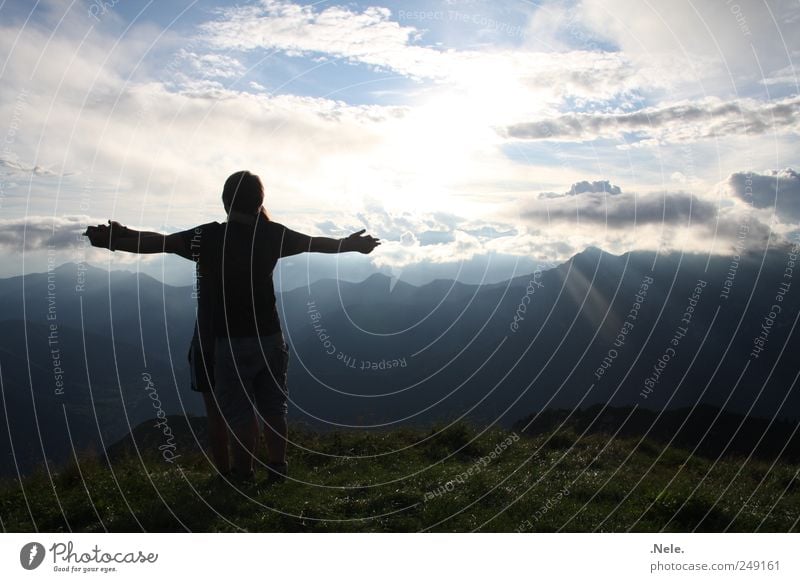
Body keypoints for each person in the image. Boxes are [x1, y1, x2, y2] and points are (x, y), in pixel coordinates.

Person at [85, 170, 380, 483]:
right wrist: (349, 245)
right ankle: (278, 470)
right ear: (259, 201)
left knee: (239, 414)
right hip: (270, 337)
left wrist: (115, 241)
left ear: (225, 201)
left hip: (229, 341)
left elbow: (162, 243)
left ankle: (242, 475)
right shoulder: (272, 234)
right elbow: (314, 243)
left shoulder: (210, 237)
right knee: (273, 408)